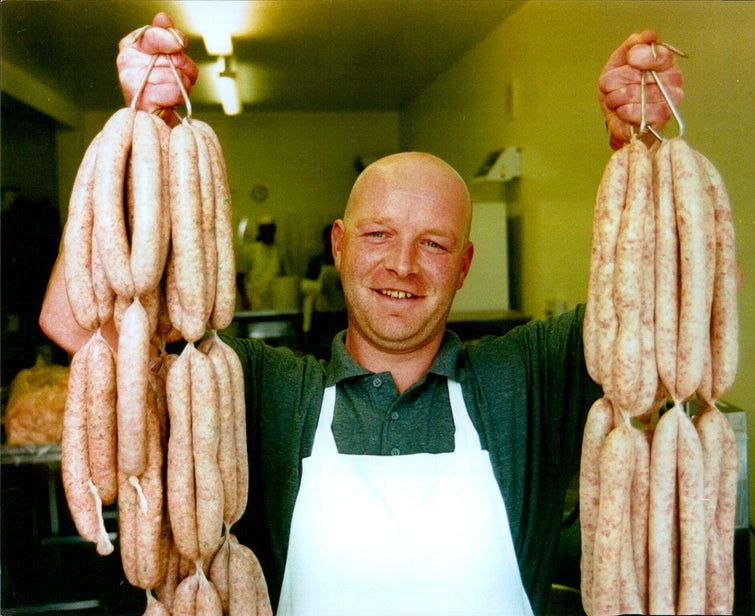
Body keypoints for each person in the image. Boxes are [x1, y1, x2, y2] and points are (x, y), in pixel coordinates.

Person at [40, 12, 683, 616]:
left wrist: (638, 150)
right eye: (378, 235)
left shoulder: (526, 378)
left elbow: (668, 317)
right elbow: (75, 325)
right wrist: (136, 139)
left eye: (433, 243)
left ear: (463, 266)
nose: (402, 265)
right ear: (339, 246)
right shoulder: (261, 386)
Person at [236, 215, 287, 311]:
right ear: (260, 230)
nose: (268, 232)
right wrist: (244, 298)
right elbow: (239, 277)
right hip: (254, 300)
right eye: (265, 229)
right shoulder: (250, 251)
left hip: (275, 300)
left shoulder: (280, 252)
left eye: (270, 229)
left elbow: (284, 279)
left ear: (274, 230)